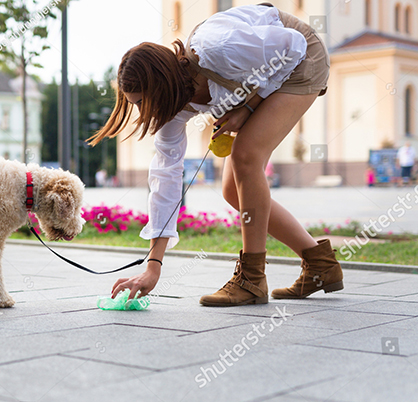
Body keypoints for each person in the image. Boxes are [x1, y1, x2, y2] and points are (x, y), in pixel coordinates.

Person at [88, 3, 344, 307]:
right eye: (136, 104)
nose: (143, 111)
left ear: (161, 84)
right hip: (264, 74)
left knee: (245, 156)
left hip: (300, 58)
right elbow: (165, 179)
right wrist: (153, 267)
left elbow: (293, 46)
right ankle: (320, 265)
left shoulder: (218, 47)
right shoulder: (172, 107)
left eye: (142, 101)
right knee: (232, 191)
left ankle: (252, 279)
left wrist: (248, 107)